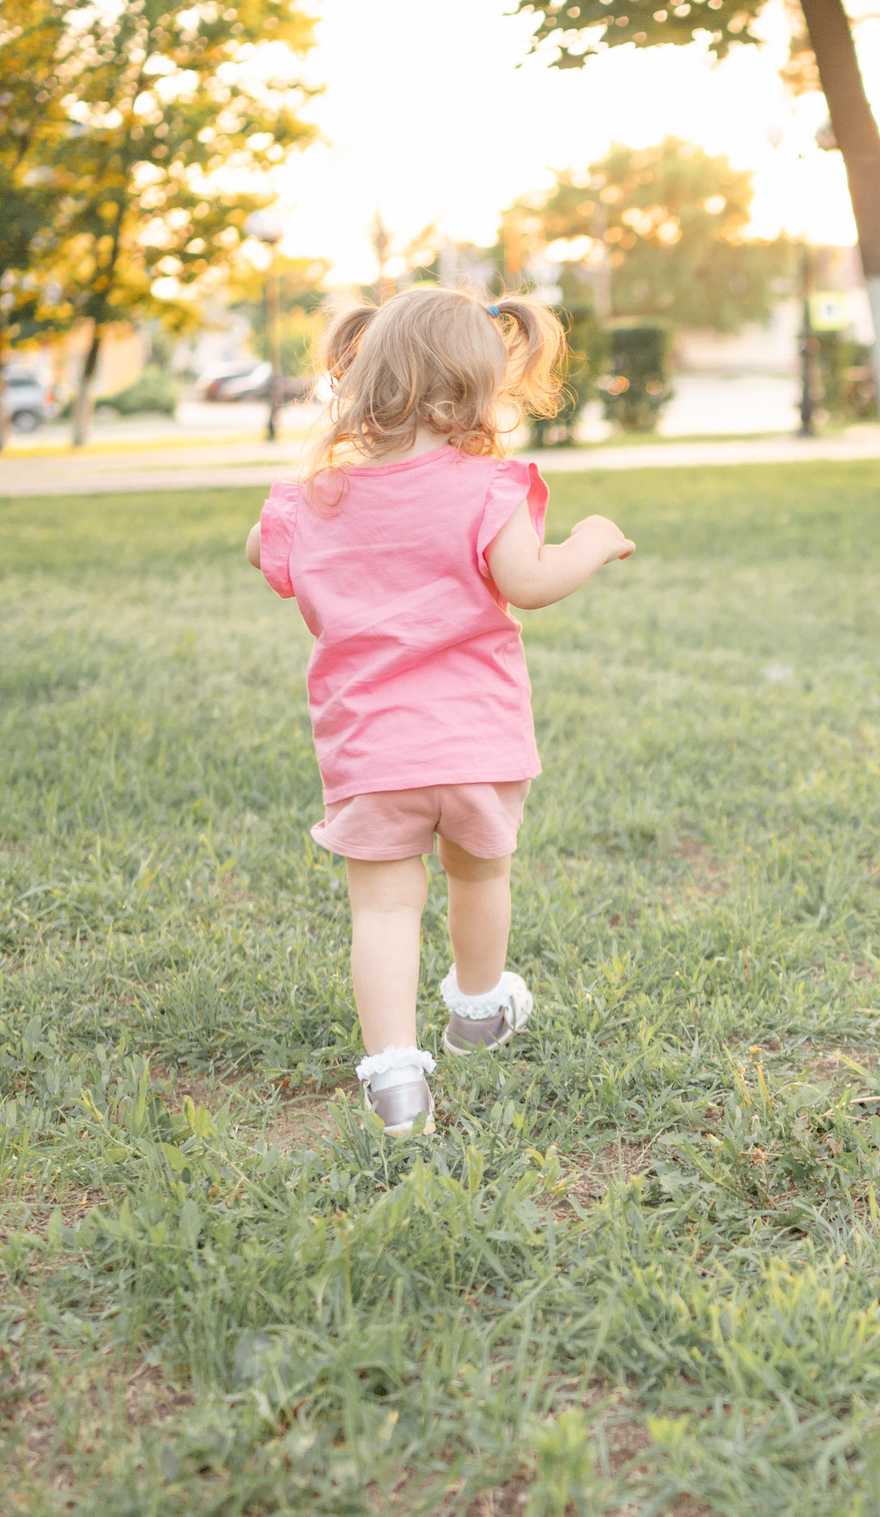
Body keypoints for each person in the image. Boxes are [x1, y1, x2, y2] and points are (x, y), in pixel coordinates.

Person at [245, 288, 635, 1134]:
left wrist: (308, 520)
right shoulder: (488, 488)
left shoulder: (312, 498)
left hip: (370, 751)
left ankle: (394, 1080)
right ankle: (479, 1008)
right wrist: (593, 540)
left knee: (382, 908)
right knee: (479, 873)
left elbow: (261, 552)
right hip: (476, 743)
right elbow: (529, 584)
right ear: (475, 388)